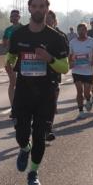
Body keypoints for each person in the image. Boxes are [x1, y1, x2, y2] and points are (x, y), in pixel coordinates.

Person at [6, 0, 69, 185]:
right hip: (24, 91)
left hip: (45, 92)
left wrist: (49, 58)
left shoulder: (56, 38)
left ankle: (33, 172)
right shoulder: (19, 34)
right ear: (29, 8)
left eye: (42, 6)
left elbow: (64, 68)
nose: (38, 9)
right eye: (35, 6)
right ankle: (25, 148)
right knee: (21, 135)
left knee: (40, 135)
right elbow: (11, 56)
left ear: (47, 9)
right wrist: (9, 64)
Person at [69, 22, 93, 118]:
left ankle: (88, 99)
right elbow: (70, 55)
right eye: (79, 30)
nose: (81, 32)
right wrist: (70, 63)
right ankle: (81, 110)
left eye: (83, 30)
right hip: (76, 70)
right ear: (77, 31)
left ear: (86, 30)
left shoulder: (92, 41)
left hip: (88, 70)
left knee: (86, 93)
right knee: (79, 91)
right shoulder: (72, 42)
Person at [43, 10, 62, 141]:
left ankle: (48, 129)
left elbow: (65, 55)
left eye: (49, 18)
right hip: (37, 72)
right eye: (45, 18)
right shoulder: (36, 33)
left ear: (54, 20)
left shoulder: (60, 36)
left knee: (51, 102)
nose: (47, 21)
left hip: (53, 71)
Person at [1, 9, 22, 118]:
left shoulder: (24, 28)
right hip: (10, 56)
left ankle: (22, 106)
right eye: (12, 16)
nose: (14, 17)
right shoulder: (8, 30)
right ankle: (13, 108)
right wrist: (8, 42)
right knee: (13, 82)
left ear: (19, 17)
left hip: (22, 56)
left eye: (16, 16)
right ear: (10, 18)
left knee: (22, 83)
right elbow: (4, 44)